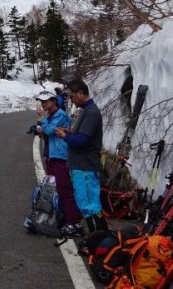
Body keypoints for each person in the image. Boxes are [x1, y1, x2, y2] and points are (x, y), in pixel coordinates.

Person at [55, 79, 106, 233]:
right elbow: (81, 135)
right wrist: (69, 132)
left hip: (85, 166)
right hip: (80, 166)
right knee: (86, 204)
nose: (71, 100)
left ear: (81, 93)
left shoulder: (91, 112)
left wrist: (65, 136)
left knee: (90, 205)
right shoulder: (85, 110)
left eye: (72, 96)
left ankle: (101, 238)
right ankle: (98, 238)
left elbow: (82, 141)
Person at [36, 90, 83, 236]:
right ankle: (61, 219)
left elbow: (51, 131)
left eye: (45, 101)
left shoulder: (60, 115)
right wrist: (41, 129)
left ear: (53, 101)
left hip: (60, 157)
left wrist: (42, 120)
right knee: (53, 189)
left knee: (64, 189)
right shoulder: (50, 115)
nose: (43, 104)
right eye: (41, 101)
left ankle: (74, 222)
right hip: (51, 156)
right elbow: (47, 132)